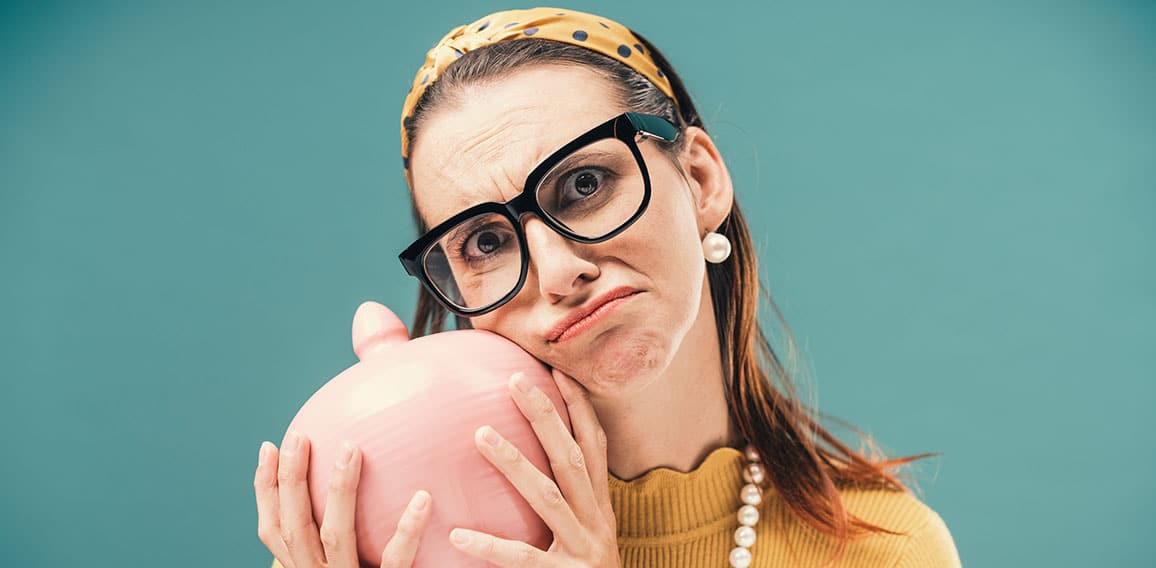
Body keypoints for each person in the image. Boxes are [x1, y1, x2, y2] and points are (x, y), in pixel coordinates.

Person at [254, 7, 962, 567]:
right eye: (488, 242)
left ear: (702, 181)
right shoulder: (388, 549)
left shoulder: (886, 551)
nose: (561, 274)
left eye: (584, 184)